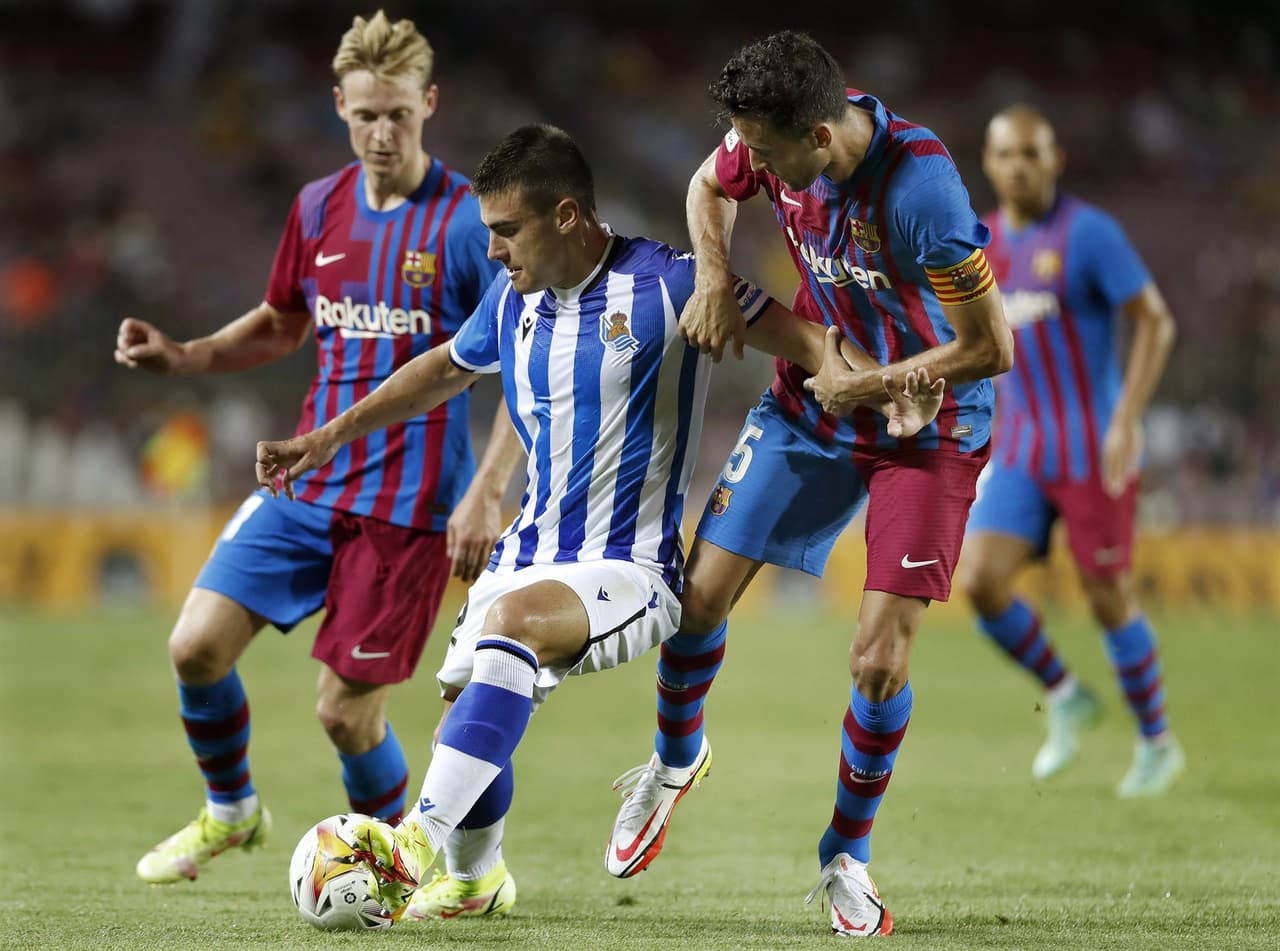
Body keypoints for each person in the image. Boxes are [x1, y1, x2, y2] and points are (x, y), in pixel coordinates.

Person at [255, 122, 945, 921]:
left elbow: (807, 343)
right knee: (466, 720)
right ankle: (477, 877)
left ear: (568, 217)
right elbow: (443, 368)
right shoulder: (510, 300)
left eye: (508, 231)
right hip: (526, 553)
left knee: (507, 633)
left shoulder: (670, 284)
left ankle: (413, 842)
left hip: (631, 569)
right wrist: (322, 437)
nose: (497, 250)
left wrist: (891, 387)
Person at [605, 31, 1014, 937]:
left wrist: (876, 381)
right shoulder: (773, 145)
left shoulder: (921, 193)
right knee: (697, 599)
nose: (748, 161)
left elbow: (993, 347)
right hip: (812, 411)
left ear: (821, 140)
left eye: (764, 150)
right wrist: (714, 273)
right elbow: (706, 186)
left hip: (929, 429)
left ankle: (845, 854)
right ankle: (675, 763)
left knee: (876, 659)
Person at [117, 10, 524, 885]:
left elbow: (523, 368)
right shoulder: (318, 206)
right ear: (340, 105)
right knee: (194, 648)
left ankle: (403, 869)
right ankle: (232, 811)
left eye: (400, 116)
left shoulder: (465, 226)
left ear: (431, 105)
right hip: (307, 481)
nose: (383, 133)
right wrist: (186, 355)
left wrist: (488, 489)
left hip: (410, 509)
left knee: (346, 714)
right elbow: (281, 322)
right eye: (367, 114)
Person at [957, 105, 1182, 795]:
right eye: (1005, 154)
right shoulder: (981, 244)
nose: (1019, 165)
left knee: (1108, 593)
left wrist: (1127, 418)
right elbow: (966, 342)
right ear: (989, 164)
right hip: (1022, 447)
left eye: (1032, 152)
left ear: (1056, 158)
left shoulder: (1090, 235)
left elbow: (1155, 321)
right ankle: (1064, 692)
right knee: (980, 582)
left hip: (1093, 445)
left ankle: (1157, 742)